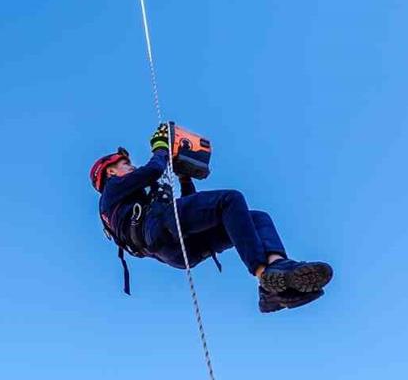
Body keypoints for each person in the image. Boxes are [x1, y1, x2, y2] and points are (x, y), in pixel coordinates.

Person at [90, 123, 333, 313]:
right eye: (126, 164)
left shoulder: (130, 202)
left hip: (175, 248)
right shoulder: (111, 192)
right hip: (160, 228)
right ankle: (263, 274)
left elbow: (190, 210)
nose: (131, 167)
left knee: (257, 218)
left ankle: (275, 271)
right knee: (230, 200)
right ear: (110, 171)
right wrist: (161, 147)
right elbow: (154, 169)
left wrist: (184, 178)